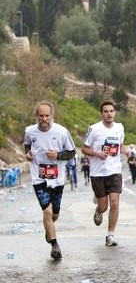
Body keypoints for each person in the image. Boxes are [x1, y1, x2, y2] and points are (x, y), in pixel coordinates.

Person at [24, 100, 76, 260]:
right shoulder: (30, 131)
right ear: (36, 116)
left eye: (47, 115)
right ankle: (55, 245)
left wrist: (58, 155)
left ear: (52, 115)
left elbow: (72, 152)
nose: (44, 119)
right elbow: (27, 145)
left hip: (57, 178)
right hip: (38, 177)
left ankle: (49, 228)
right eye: (41, 116)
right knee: (46, 211)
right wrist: (28, 154)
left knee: (54, 214)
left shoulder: (61, 132)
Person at [81, 100, 125, 247]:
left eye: (111, 111)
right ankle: (98, 210)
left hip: (115, 171)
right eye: (106, 111)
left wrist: (126, 151)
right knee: (104, 206)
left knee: (114, 203)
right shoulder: (94, 129)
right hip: (98, 172)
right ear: (102, 114)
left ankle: (110, 235)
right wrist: (97, 154)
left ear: (115, 112)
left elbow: (120, 145)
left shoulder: (119, 128)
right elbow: (84, 149)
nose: (109, 114)